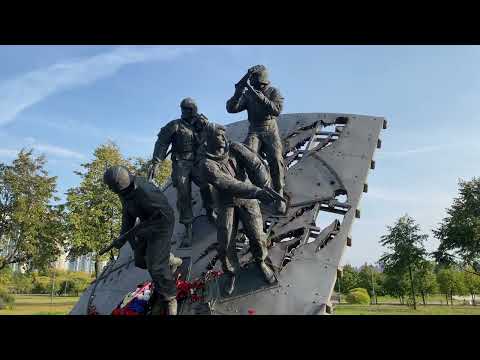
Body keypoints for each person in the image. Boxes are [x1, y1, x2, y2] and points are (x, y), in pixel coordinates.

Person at [200, 123, 278, 295]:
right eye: (218, 137)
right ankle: (231, 273)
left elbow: (256, 164)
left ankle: (261, 261)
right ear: (209, 140)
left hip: (248, 199)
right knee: (225, 241)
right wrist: (257, 192)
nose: (222, 139)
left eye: (223, 135)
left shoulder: (236, 148)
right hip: (227, 202)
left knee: (257, 235)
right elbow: (228, 184)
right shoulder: (206, 164)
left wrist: (264, 183)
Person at [103, 165, 178, 315]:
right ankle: (169, 259)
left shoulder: (146, 191)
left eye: (112, 187)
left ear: (120, 184)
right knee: (140, 260)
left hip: (161, 226)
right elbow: (128, 216)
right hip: (145, 227)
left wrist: (147, 230)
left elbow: (166, 215)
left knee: (156, 266)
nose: (111, 190)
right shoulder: (124, 193)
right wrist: (122, 237)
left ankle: (170, 298)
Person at [149, 98, 215, 247]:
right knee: (183, 193)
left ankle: (210, 211)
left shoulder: (200, 123)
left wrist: (206, 126)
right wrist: (157, 162)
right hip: (181, 164)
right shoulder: (175, 125)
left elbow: (213, 137)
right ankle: (188, 228)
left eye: (191, 110)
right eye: (186, 109)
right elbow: (162, 143)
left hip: (197, 161)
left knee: (207, 184)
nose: (188, 112)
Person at [226, 65, 286, 214]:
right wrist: (238, 91)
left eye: (253, 79)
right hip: (254, 129)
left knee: (276, 159)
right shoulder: (247, 95)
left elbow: (276, 110)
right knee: (245, 156)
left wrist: (258, 95)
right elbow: (231, 108)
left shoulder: (273, 91)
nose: (251, 82)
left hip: (270, 129)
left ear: (261, 81)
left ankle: (279, 195)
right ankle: (249, 192)